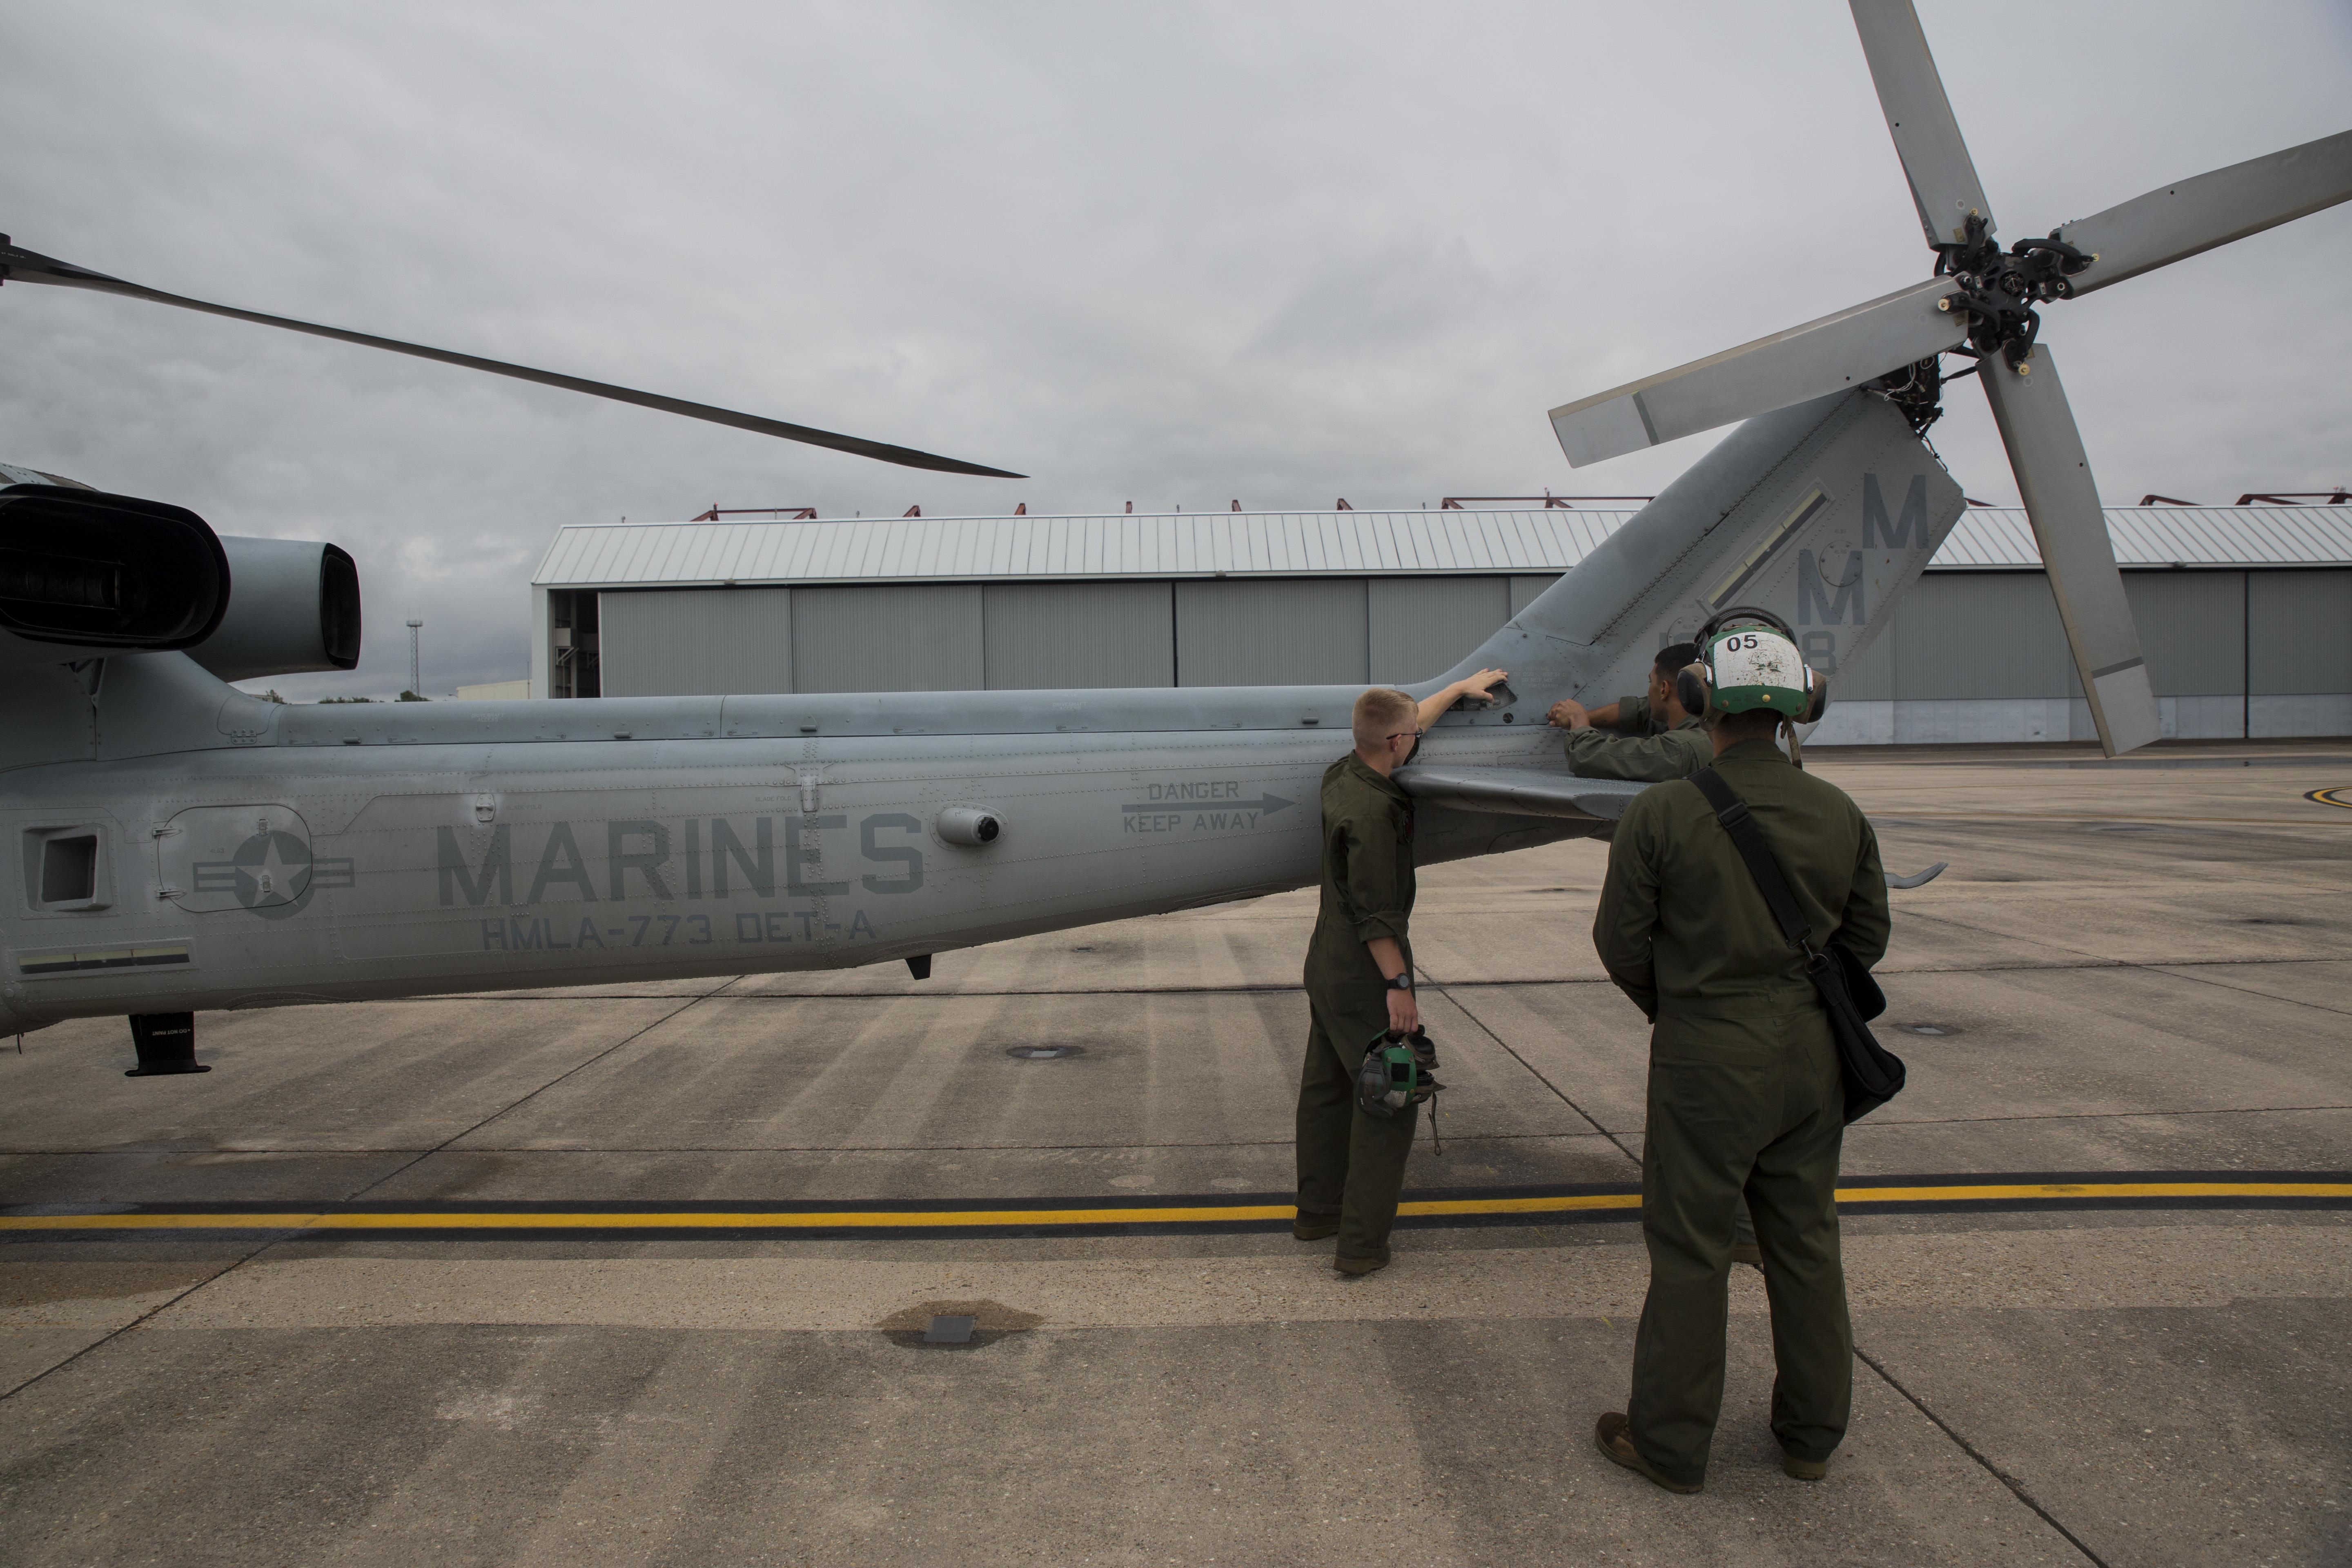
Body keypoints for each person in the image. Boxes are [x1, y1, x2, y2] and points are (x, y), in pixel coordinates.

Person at [1587, 623, 1890, 1494]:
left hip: (1706, 1057)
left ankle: (1672, 1445)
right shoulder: (1840, 811)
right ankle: (1810, 1440)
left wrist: (1684, 1008)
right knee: (1804, 1244)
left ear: (1696, 700)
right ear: (1802, 707)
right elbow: (1867, 936)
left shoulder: (1663, 812)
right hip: (1810, 1058)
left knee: (1692, 1250)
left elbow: (1621, 944)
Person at [1551, 641, 1766, 1269]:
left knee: (1703, 1136)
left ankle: (1722, 1244)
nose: (1648, 695)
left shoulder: (1690, 752)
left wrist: (1581, 728)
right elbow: (1638, 715)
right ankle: (1753, 1233)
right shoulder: (1710, 734)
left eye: (1654, 684)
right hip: (1769, 991)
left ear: (1674, 691)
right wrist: (1596, 710)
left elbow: (1619, 757)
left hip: (1710, 998)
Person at [1296, 667, 1509, 1278]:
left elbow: (1399, 722)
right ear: (1397, 745)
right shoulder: (1373, 814)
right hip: (1366, 972)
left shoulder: (1344, 773)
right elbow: (1376, 913)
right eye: (1412, 734)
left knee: (1327, 1092)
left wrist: (1455, 690)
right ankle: (1361, 1246)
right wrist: (1399, 989)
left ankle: (1316, 1214)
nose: (1416, 738)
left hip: (1326, 965)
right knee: (1392, 1098)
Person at [1547, 642, 1708, 782]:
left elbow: (1588, 756)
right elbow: (1641, 709)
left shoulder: (1681, 750)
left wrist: (1578, 719)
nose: (1649, 688)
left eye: (1651, 682)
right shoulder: (1705, 720)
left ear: (1664, 689)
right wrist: (1584, 716)